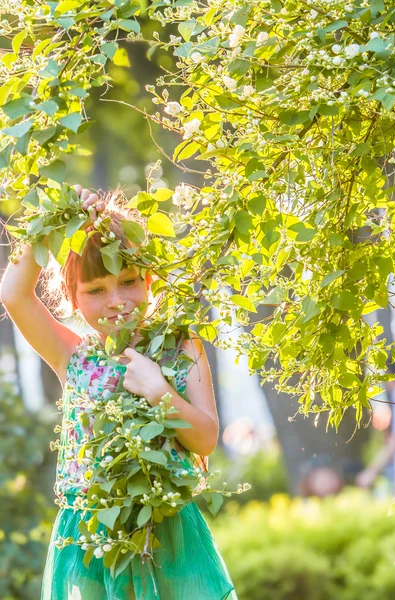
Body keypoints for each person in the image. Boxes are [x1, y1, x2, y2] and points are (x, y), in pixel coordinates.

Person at [0, 185, 237, 600]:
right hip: (90, 535)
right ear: (71, 298)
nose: (116, 302)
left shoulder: (180, 346)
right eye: (95, 290)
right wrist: (55, 220)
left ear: (148, 281)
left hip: (167, 531)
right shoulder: (72, 356)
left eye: (128, 282)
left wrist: (160, 391)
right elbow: (14, 295)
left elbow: (206, 438)